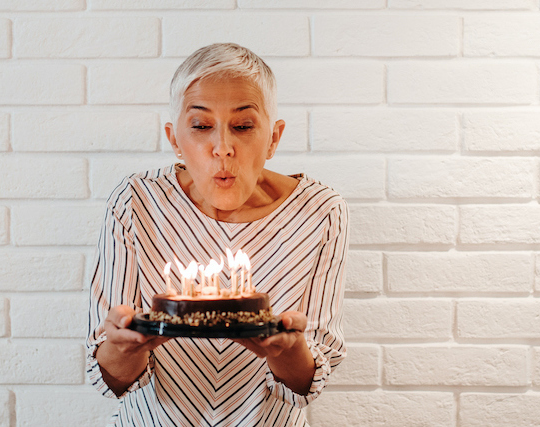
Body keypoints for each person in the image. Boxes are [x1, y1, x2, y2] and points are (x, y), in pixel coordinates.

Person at [85, 43, 349, 426]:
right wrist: (124, 347)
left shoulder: (320, 211)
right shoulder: (136, 202)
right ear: (174, 138)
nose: (223, 148)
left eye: (243, 127)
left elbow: (307, 382)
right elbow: (108, 379)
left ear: (273, 138)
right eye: (201, 126)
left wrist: (285, 351)